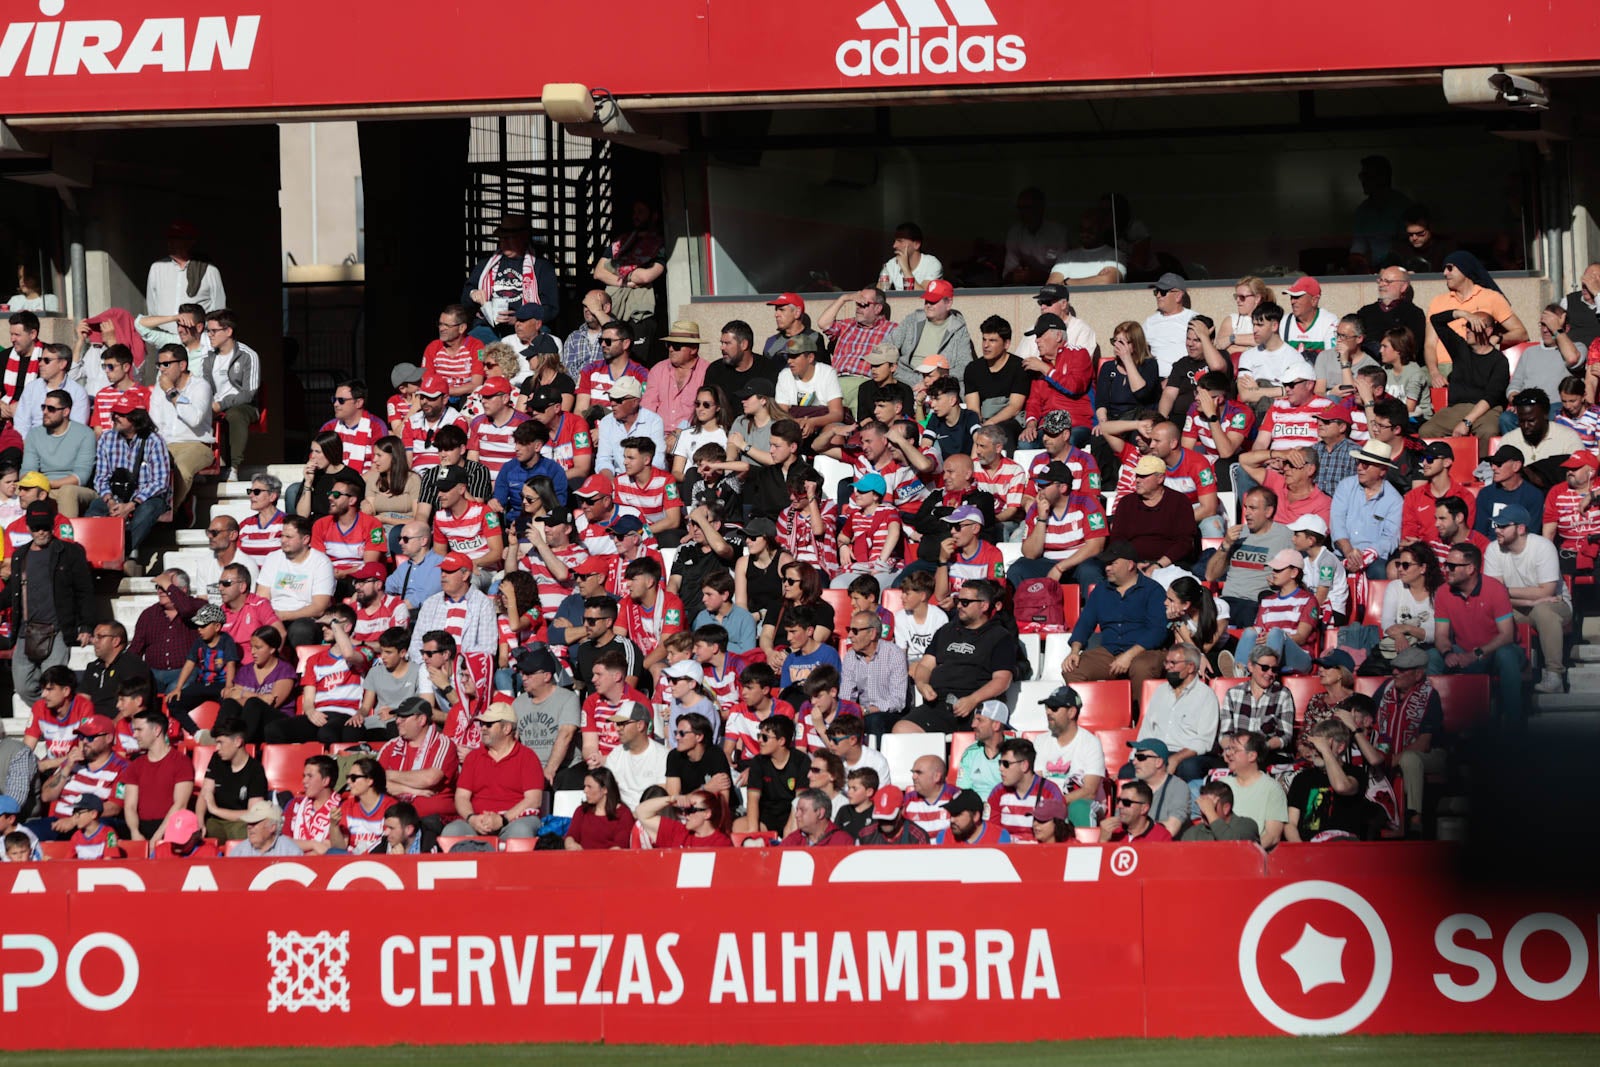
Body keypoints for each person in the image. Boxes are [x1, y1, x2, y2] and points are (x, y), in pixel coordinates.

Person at [0, 499, 93, 704]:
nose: (40, 532)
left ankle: (58, 720)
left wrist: (86, 625)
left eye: (44, 527)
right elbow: (11, 592)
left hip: (57, 630)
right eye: (35, 527)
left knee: (55, 685)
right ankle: (54, 715)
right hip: (26, 631)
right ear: (28, 527)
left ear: (52, 525)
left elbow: (84, 591)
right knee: (23, 686)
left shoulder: (70, 553)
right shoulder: (20, 556)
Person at [899, 578, 1015, 734]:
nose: (959, 605)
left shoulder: (1000, 637)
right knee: (902, 730)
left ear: (984, 605)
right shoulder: (946, 631)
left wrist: (972, 700)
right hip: (938, 704)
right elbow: (926, 665)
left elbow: (1002, 680)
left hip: (978, 706)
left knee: (986, 730)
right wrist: (922, 684)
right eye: (958, 600)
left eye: (965, 602)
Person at [1431, 541, 1525, 725]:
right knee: (1432, 656)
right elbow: (1441, 635)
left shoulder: (1495, 589)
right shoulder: (1443, 593)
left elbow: (1506, 635)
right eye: (1445, 564)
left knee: (1506, 655)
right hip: (1463, 651)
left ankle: (1514, 722)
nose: (1446, 569)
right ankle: (1432, 722)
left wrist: (1476, 654)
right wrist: (1447, 653)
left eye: (1452, 566)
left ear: (1470, 568)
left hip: (1496, 651)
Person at [1483, 504, 1571, 694]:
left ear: (1521, 529)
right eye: (1496, 525)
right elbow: (1493, 597)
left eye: (1503, 526)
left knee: (1544, 611)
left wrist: (1505, 591)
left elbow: (1547, 592)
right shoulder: (1492, 549)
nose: (1497, 529)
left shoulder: (1542, 546)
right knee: (1488, 613)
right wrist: (1529, 601)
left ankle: (1554, 675)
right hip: (1516, 607)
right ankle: (1503, 672)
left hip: (1555, 604)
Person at [1061, 541, 1166, 688]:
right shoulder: (1100, 590)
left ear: (1130, 565)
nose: (1107, 568)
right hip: (1109, 651)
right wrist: (1074, 651)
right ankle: (1092, 710)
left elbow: (1157, 631)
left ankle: (1139, 711)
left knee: (1141, 668)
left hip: (1144, 652)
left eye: (1112, 563)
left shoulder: (1153, 590)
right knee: (1072, 669)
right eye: (1106, 564)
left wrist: (1129, 655)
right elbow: (1085, 623)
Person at [82, 399, 171, 569]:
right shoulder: (107, 439)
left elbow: (160, 481)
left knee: (147, 510)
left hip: (146, 497)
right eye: (114, 413)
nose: (115, 417)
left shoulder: (154, 441)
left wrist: (131, 505)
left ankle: (121, 553)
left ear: (136, 418)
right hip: (115, 495)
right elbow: (100, 477)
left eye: (122, 414)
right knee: (94, 509)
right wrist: (110, 501)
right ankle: (91, 557)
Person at [1418, 305, 1510, 454]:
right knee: (1427, 430)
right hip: (1457, 408)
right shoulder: (1460, 348)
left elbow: (1492, 396)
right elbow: (1436, 320)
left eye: (1472, 326)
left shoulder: (1499, 361)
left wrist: (1467, 421)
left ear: (1488, 331)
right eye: (1466, 325)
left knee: (1488, 431)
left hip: (1486, 409)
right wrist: (1463, 314)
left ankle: (1484, 470)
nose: (1467, 329)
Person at [444, 703, 543, 840]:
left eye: (489, 724)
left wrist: (503, 819)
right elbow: (461, 797)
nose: (483, 728)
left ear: (507, 728)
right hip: (477, 821)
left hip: (514, 821)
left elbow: (533, 800)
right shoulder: (473, 757)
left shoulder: (527, 757)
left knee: (521, 831)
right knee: (452, 832)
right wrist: (472, 818)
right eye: (481, 724)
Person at [26, 712, 127, 843]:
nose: (84, 741)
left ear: (108, 738)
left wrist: (75, 820)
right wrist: (67, 767)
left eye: (90, 738)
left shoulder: (123, 767)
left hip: (94, 823)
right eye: (81, 736)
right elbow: (47, 796)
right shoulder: (74, 762)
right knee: (21, 834)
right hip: (58, 821)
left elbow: (114, 807)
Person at [1008, 459, 1107, 592]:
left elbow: (1096, 546)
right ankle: (1024, 611)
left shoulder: (1087, 503)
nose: (1039, 491)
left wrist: (1060, 567)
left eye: (1044, 486)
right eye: (1038, 485)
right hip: (1048, 562)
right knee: (1018, 569)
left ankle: (1091, 611)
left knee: (1090, 570)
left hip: (1079, 562)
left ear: (1063, 487)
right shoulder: (1036, 508)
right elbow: (1030, 554)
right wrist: (1042, 519)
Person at [1229, 549, 1321, 675]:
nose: (1273, 573)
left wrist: (1276, 637)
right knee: (1250, 632)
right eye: (1273, 569)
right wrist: (1260, 635)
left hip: (1300, 657)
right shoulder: (1267, 601)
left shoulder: (1308, 600)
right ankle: (1240, 670)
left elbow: (1301, 637)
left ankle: (1266, 669)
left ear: (1294, 572)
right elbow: (1259, 630)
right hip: (1267, 652)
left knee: (1276, 633)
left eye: (1278, 570)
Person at [147, 343, 213, 513]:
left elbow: (194, 419)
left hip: (196, 445)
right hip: (166, 444)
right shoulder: (159, 390)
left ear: (182, 365)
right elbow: (155, 424)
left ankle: (167, 513)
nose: (162, 369)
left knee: (181, 469)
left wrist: (171, 392)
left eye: (166, 364)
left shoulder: (200, 386)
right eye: (159, 365)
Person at [1029, 685, 1106, 830]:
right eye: (1047, 707)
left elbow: (1089, 791)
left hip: (1083, 804)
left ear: (1071, 712)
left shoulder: (1090, 742)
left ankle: (1085, 851)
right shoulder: (1040, 741)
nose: (1048, 712)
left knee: (1079, 807)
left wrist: (1057, 803)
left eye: (1054, 708)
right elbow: (1036, 782)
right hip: (1048, 803)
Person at [256, 514, 336, 651]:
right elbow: (262, 597)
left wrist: (283, 615)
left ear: (305, 539)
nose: (283, 540)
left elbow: (319, 607)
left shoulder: (321, 563)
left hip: (306, 618)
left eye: (289, 537)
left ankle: (300, 671)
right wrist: (272, 617)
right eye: (282, 536)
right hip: (273, 616)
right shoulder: (273, 558)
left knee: (301, 629)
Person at [1284, 719, 1372, 842]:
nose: (1315, 750)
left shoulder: (1355, 773)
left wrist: (1326, 751)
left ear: (1341, 747)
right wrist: (1302, 851)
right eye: (1314, 745)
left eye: (1321, 745)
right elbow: (1290, 824)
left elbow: (1341, 787)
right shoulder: (1302, 778)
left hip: (1343, 845)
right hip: (1310, 848)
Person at [377, 696, 461, 823]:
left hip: (435, 820)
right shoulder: (390, 747)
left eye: (404, 717)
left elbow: (430, 778)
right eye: (398, 717)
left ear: (422, 720)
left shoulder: (442, 744)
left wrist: (388, 775)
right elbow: (375, 783)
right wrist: (412, 790)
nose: (398, 721)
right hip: (395, 819)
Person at [1109, 455, 1198, 571]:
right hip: (1132, 567)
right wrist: (1132, 564)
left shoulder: (1179, 502)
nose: (1137, 480)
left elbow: (1184, 543)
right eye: (1137, 475)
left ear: (1160, 478)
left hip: (1171, 565)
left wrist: (1159, 565)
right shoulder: (1126, 503)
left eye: (1143, 476)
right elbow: (1118, 540)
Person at [120, 708, 193, 844]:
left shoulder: (181, 762)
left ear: (157, 730)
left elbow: (180, 804)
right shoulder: (135, 765)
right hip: (140, 827)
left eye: (139, 730)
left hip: (171, 828)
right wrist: (135, 832)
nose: (134, 735)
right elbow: (130, 805)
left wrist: (158, 836)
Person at [1331, 439, 1403, 577]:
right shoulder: (1345, 486)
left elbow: (1389, 538)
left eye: (1366, 464)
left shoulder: (1395, 500)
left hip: (1374, 559)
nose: (1359, 467)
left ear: (1382, 470)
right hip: (1342, 553)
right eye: (1358, 462)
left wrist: (1365, 557)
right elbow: (1337, 522)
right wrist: (1349, 552)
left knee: (1380, 571)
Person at [407, 551, 497, 661]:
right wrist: (427, 667)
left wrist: (459, 668)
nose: (443, 575)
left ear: (465, 575)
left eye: (449, 571)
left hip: (465, 672)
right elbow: (416, 644)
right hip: (429, 669)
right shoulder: (430, 603)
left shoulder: (483, 604)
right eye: (442, 570)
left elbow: (487, 649)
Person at [888, 279, 974, 389]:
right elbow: (888, 345)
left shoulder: (958, 328)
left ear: (948, 303)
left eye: (933, 301)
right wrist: (892, 368)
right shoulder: (913, 320)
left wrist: (937, 378)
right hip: (904, 379)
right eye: (926, 301)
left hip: (939, 385)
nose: (928, 305)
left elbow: (965, 366)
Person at [1497, 389, 1582, 490]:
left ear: (1545, 414)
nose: (1525, 426)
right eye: (1521, 421)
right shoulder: (1508, 441)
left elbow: (1580, 478)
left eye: (1531, 420)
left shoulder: (1569, 438)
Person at [1216, 730, 1288, 847]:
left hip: (1255, 856)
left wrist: (1246, 852)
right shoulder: (1222, 784)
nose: (1228, 754)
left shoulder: (1272, 789)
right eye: (1228, 749)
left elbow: (1272, 836)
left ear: (1252, 756)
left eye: (1235, 749)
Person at [79, 620, 152, 717]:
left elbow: (133, 705)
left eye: (100, 637)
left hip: (122, 725)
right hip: (92, 724)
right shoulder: (93, 667)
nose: (94, 641)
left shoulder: (132, 665)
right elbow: (82, 700)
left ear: (116, 641)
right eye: (94, 637)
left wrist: (112, 726)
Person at [1473, 445, 1547, 536]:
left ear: (1516, 466)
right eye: (1492, 463)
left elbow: (1531, 534)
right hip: (1490, 548)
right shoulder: (1485, 494)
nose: (1493, 468)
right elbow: (1480, 533)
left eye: (1499, 464)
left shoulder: (1534, 496)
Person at [564, 767, 636, 850]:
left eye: (589, 787)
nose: (585, 790)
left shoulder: (624, 814)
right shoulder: (582, 811)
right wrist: (570, 843)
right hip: (582, 859)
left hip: (610, 860)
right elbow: (571, 835)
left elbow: (620, 846)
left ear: (605, 789)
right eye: (585, 786)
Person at [1141, 272, 1197, 376]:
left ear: (1178, 296)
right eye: (1156, 291)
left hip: (1183, 378)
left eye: (1162, 292)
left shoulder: (1193, 319)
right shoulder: (1150, 322)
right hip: (1153, 380)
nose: (1158, 296)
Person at [635, 790, 733, 849]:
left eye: (691, 809)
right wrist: (672, 799)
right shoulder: (678, 831)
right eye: (685, 809)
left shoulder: (722, 843)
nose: (685, 814)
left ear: (707, 814)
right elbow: (642, 812)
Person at [387, 520, 443, 611]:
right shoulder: (404, 567)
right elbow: (386, 587)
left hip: (426, 615)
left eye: (406, 539)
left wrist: (395, 607)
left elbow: (426, 596)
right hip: (403, 613)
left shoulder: (439, 564)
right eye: (399, 539)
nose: (400, 542)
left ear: (423, 541)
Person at [1099, 779, 1173, 843]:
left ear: (1144, 809)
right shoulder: (1111, 830)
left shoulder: (1162, 837)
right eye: (1118, 801)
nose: (1119, 806)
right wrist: (1103, 840)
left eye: (1126, 802)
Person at [1186, 781, 1261, 843]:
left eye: (1210, 806)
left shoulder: (1246, 826)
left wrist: (1210, 812)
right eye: (1203, 806)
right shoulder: (1193, 833)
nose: (1204, 811)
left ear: (1226, 809)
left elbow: (1235, 848)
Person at [779, 787, 855, 847]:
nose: (796, 815)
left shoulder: (842, 842)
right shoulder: (792, 841)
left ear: (820, 813)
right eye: (797, 810)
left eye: (802, 810)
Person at [231, 798, 302, 858]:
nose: (249, 827)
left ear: (272, 827)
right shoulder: (238, 852)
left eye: (255, 822)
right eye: (249, 823)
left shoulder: (291, 852)